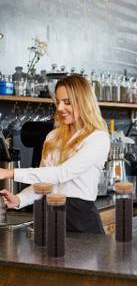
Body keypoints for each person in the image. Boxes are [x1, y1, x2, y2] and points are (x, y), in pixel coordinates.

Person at [0, 74, 110, 233]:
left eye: (67, 102)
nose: (59, 108)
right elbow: (46, 182)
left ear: (83, 102)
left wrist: (9, 173)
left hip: (81, 222)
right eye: (58, 102)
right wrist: (19, 199)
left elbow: (61, 174)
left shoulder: (98, 138)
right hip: (49, 219)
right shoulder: (53, 137)